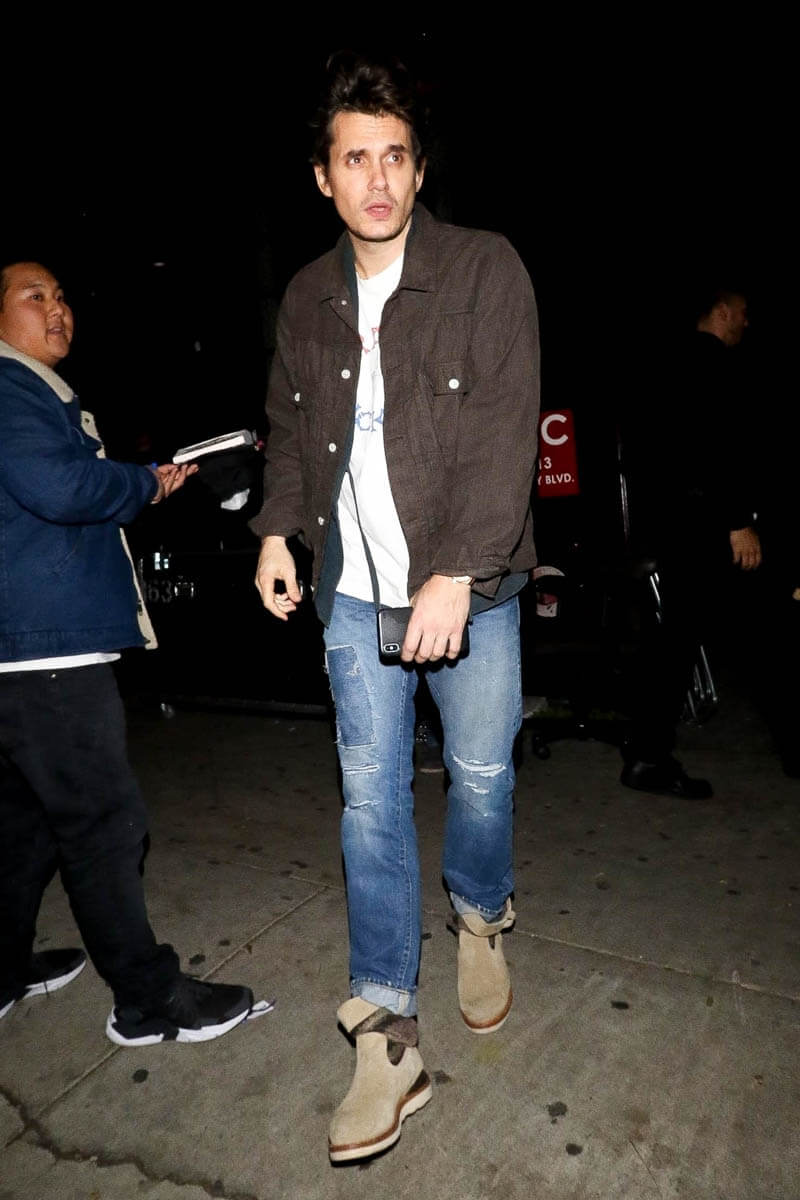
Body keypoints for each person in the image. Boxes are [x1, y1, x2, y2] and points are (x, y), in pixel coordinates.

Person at [251, 54, 539, 1161]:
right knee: (368, 803)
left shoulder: (483, 269)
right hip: (350, 593)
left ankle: (480, 911)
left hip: (473, 585)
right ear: (322, 177)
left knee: (480, 775)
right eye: (354, 158)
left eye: (394, 157)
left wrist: (456, 571)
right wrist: (277, 529)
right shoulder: (306, 297)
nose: (375, 179)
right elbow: (288, 420)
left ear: (419, 172)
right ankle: (386, 1028)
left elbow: (505, 428)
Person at [0, 260, 262, 1044]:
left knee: (27, 824)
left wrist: (148, 482)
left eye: (62, 295)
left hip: (23, 649)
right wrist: (143, 484)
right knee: (103, 824)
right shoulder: (9, 387)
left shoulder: (38, 392)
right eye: (34, 296)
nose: (58, 308)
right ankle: (146, 1000)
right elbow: (60, 489)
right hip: (46, 650)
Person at [621, 286, 760, 798]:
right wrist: (738, 520)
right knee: (675, 644)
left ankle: (645, 746)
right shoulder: (710, 364)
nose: (747, 323)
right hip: (695, 525)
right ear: (721, 312)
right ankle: (649, 757)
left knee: (667, 642)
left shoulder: (666, 362)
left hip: (665, 524)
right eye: (742, 313)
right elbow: (714, 449)